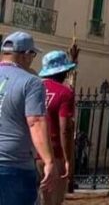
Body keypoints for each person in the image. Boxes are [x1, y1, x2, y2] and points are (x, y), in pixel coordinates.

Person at [0, 32, 56, 205]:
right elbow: (36, 122)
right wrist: (48, 161)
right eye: (33, 54)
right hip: (13, 164)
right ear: (25, 55)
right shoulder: (31, 82)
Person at [38, 50, 76, 205]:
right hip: (55, 154)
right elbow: (65, 129)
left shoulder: (33, 87)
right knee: (53, 201)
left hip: (31, 153)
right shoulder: (65, 93)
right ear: (64, 72)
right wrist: (68, 159)